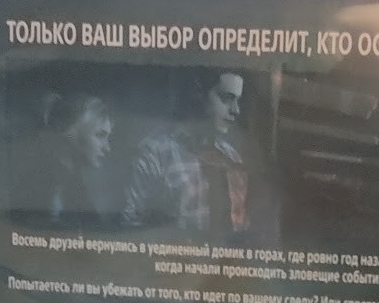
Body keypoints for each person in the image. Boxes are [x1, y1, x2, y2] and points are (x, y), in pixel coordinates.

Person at [122, 71, 251, 237]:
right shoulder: (155, 153)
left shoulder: (232, 157)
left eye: (238, 101)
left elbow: (239, 225)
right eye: (226, 98)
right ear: (199, 95)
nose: (236, 110)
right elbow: (130, 223)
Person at [15, 93, 115, 229]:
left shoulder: (73, 185)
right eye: (100, 135)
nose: (107, 148)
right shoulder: (42, 188)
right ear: (71, 133)